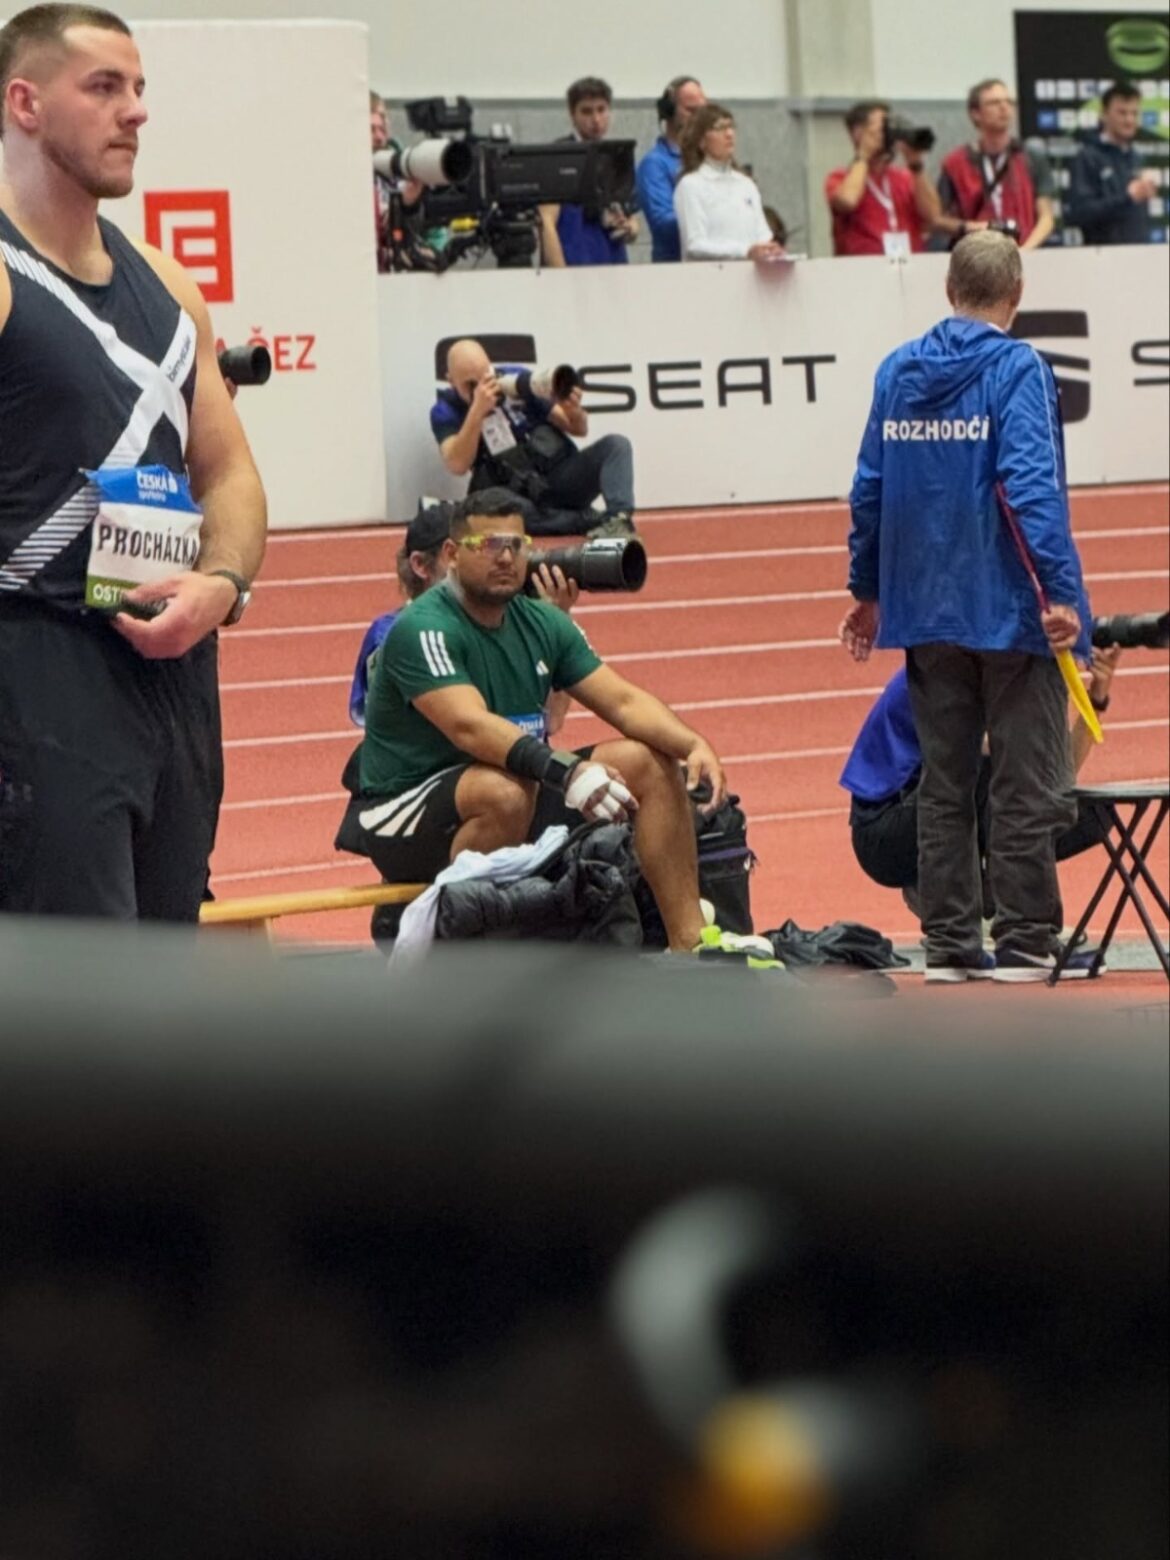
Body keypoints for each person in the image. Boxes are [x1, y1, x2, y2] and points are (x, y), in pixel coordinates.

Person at [0, 3, 266, 922]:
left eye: (140, 88)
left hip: (172, 670)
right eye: (105, 87)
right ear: (25, 104)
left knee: (159, 968)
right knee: (78, 981)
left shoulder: (169, 283)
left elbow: (228, 474)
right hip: (40, 666)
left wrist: (222, 583)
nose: (137, 110)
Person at [337, 486, 772, 960]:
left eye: (516, 545)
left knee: (646, 761)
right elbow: (470, 727)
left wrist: (693, 745)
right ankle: (456, 961)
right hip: (401, 810)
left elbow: (623, 701)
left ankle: (690, 943)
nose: (506, 558)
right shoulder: (424, 628)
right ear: (452, 554)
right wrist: (568, 771)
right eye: (488, 545)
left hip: (513, 789)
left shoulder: (541, 622)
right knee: (501, 793)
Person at [839, 230, 1092, 983]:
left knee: (945, 783)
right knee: (1021, 781)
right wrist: (1062, 593)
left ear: (949, 289)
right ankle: (1023, 939)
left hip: (924, 607)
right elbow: (1030, 484)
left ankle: (949, 944)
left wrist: (867, 590)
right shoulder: (1019, 368)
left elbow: (869, 488)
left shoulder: (897, 369)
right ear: (1016, 295)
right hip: (1008, 607)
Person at [841, 648, 1121, 917]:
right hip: (883, 833)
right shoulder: (947, 668)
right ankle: (979, 905)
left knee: (1092, 813)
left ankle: (998, 907)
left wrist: (1096, 698)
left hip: (934, 807)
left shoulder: (1007, 672)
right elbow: (1016, 764)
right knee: (999, 776)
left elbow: (1057, 775)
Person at [347, 502, 578, 734]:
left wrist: (555, 625)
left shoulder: (512, 623)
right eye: (479, 549)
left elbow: (551, 722)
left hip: (519, 751)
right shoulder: (392, 633)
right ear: (421, 565)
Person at [432, 338, 636, 539]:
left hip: (558, 478)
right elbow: (457, 464)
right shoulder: (445, 410)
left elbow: (577, 428)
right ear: (451, 381)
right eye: (470, 383)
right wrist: (477, 410)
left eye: (485, 375)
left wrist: (574, 411)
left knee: (616, 445)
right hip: (516, 496)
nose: (481, 387)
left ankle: (618, 519)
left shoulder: (514, 380)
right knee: (490, 508)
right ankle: (587, 520)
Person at [937, 79, 1055, 250]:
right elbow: (937, 220)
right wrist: (969, 227)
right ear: (975, 113)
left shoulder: (1030, 156)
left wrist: (1026, 250)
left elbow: (1046, 216)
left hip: (1023, 250)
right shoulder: (955, 162)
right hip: (977, 254)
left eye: (1008, 102)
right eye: (994, 103)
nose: (1004, 107)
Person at [539, 76, 639, 268]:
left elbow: (633, 222)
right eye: (586, 111)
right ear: (572, 114)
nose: (596, 120)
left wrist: (629, 228)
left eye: (601, 110)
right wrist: (560, 276)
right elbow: (546, 224)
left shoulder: (617, 156)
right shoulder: (558, 157)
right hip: (573, 265)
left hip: (614, 265)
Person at [825, 101, 940, 258]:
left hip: (907, 265)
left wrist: (916, 165)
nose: (888, 134)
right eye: (882, 128)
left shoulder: (905, 177)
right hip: (861, 267)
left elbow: (933, 216)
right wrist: (863, 154)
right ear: (858, 133)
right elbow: (848, 200)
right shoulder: (839, 178)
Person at [673, 103, 785, 263]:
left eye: (731, 127)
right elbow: (694, 244)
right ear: (701, 141)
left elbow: (763, 233)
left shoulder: (746, 184)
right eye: (720, 128)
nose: (729, 134)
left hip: (751, 274)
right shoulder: (690, 185)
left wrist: (769, 249)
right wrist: (744, 251)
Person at [1065, 80, 1158, 246]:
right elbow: (1080, 213)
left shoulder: (1136, 157)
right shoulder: (1087, 157)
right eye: (1122, 113)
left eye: (1134, 113)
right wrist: (1127, 197)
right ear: (1104, 114)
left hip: (1139, 253)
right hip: (1101, 255)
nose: (1129, 120)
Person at [635, 74, 706, 262]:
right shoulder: (654, 164)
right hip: (673, 267)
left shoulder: (709, 159)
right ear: (669, 112)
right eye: (691, 110)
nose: (699, 119)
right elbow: (663, 224)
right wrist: (712, 216)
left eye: (703, 111)